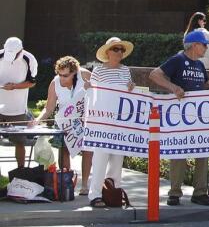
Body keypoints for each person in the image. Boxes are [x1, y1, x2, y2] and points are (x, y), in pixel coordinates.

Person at [148, 29, 209, 206]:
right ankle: (174, 192)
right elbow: (154, 75)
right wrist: (173, 88)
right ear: (194, 45)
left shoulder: (200, 65)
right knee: (179, 153)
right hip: (180, 115)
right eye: (204, 45)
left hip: (200, 116)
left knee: (202, 152)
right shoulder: (178, 59)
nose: (206, 48)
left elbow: (208, 87)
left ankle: (200, 192)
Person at [82, 37, 135, 206]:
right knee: (100, 158)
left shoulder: (125, 70)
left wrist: (131, 88)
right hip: (103, 122)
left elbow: (128, 93)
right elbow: (95, 95)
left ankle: (113, 192)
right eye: (115, 49)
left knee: (117, 159)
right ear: (107, 52)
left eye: (121, 49)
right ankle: (95, 194)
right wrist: (89, 88)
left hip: (120, 122)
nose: (119, 52)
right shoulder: (98, 71)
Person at [30, 56, 92, 193]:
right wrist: (37, 119)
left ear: (75, 72)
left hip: (85, 119)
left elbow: (101, 92)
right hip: (64, 120)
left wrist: (91, 88)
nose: (62, 78)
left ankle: (85, 185)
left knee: (88, 150)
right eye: (60, 74)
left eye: (66, 75)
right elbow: (49, 107)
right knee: (64, 150)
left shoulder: (86, 75)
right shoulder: (55, 82)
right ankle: (66, 183)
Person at [0, 36, 37, 169]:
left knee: (19, 142)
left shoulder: (29, 59)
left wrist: (14, 86)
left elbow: (32, 83)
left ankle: (21, 171)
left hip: (17, 109)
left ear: (20, 50)